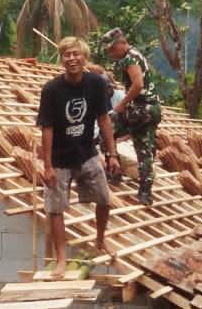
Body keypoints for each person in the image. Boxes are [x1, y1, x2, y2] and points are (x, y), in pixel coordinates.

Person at [37, 36, 118, 277]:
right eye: (66, 55)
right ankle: (61, 259)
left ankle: (100, 240)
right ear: (61, 59)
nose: (71, 59)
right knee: (55, 208)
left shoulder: (96, 84)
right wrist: (48, 165)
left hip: (87, 153)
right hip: (60, 158)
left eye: (75, 54)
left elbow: (104, 120)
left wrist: (112, 154)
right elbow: (47, 129)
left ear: (84, 57)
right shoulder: (51, 90)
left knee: (104, 199)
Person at [103, 28, 163, 205]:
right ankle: (145, 194)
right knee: (144, 150)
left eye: (112, 49)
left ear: (122, 43)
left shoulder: (129, 58)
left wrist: (121, 106)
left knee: (107, 130)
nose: (111, 54)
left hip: (139, 109)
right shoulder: (136, 53)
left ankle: (113, 174)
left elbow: (137, 85)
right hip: (152, 109)